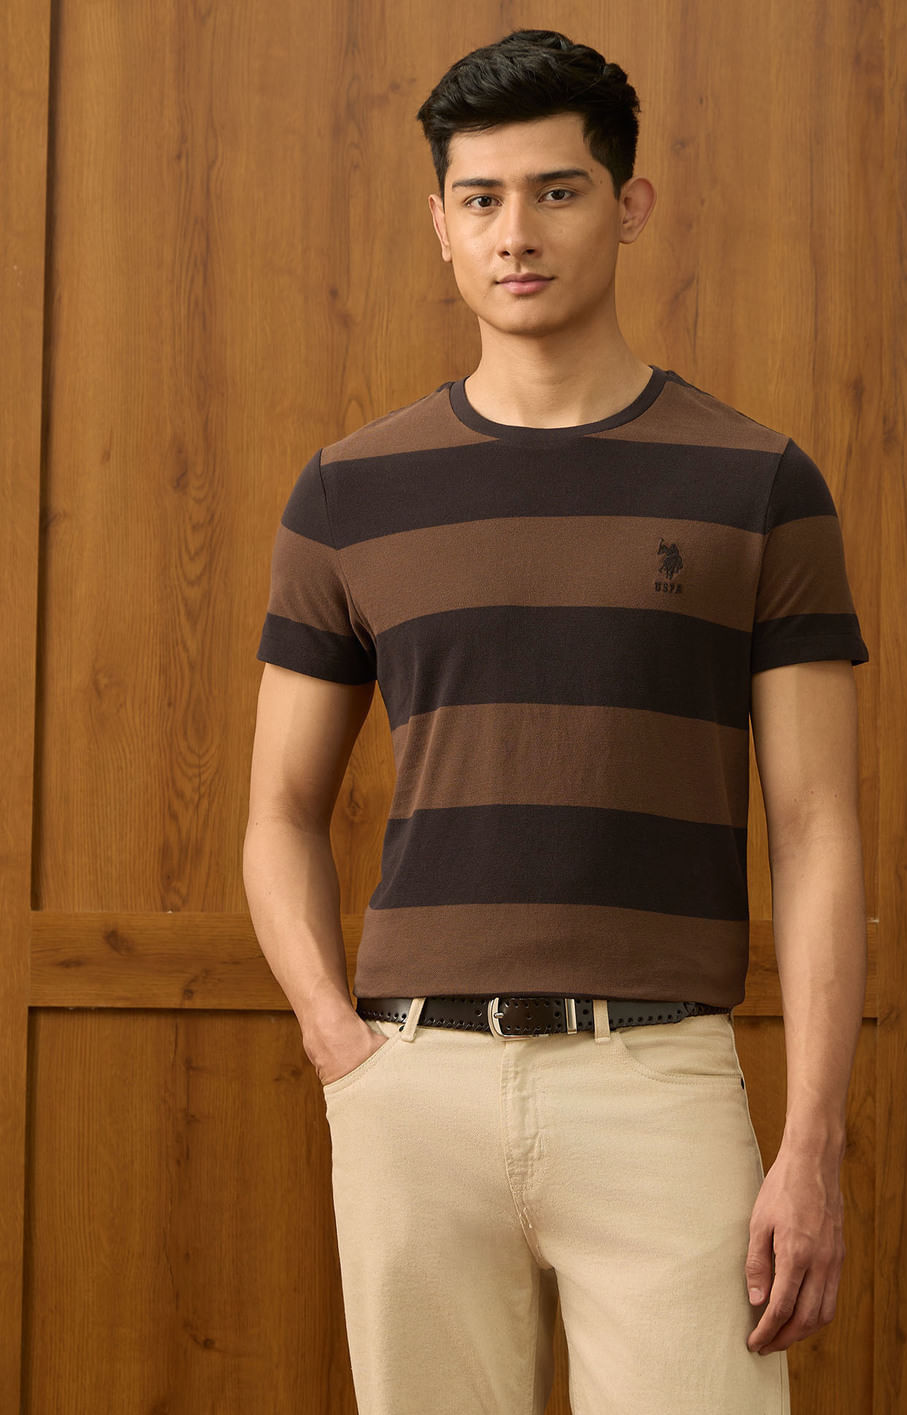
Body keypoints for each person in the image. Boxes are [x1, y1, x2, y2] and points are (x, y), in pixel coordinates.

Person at [243, 27, 868, 1415]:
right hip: (411, 1082)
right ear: (441, 224)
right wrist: (339, 1046)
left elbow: (819, 826)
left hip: (659, 1082)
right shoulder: (347, 494)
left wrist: (811, 1143)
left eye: (556, 191)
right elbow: (278, 810)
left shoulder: (757, 484)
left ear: (628, 205)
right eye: (480, 199)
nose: (514, 233)